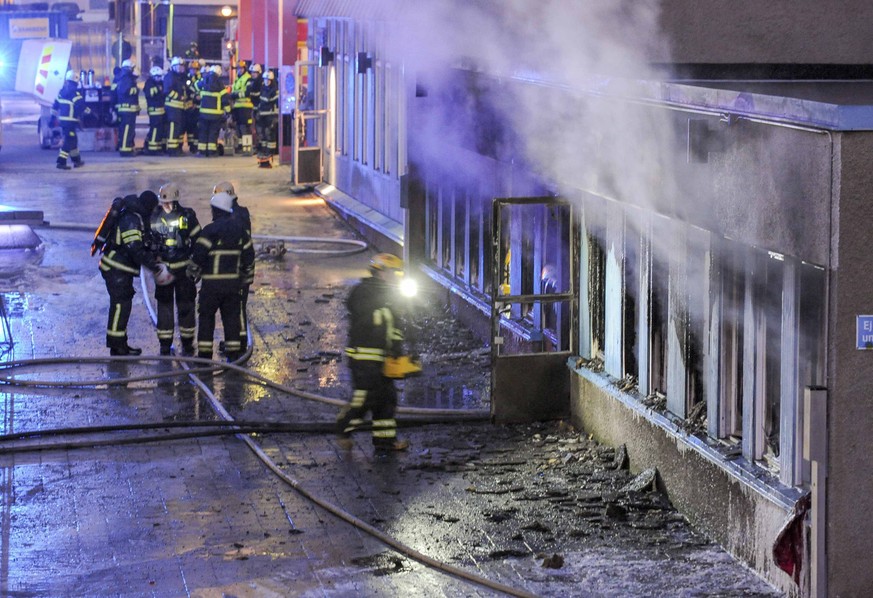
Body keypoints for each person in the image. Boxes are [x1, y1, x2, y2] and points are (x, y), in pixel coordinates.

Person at [336, 253, 411, 455]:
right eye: (394, 273)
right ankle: (343, 428)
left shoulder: (389, 295)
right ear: (382, 272)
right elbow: (367, 317)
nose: (397, 277)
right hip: (363, 357)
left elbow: (395, 327)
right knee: (366, 398)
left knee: (386, 399)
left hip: (382, 358)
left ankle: (385, 441)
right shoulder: (364, 292)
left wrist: (397, 350)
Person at [187, 191, 254, 362]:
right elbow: (249, 257)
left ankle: (204, 356)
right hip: (232, 286)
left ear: (216, 210)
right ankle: (233, 354)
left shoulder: (210, 231)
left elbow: (198, 256)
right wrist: (245, 280)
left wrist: (191, 275)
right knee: (231, 319)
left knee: (206, 319)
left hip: (211, 287)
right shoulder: (240, 231)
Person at [99, 191, 167, 356]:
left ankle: (120, 344)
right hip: (116, 268)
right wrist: (153, 265)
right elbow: (134, 248)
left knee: (122, 306)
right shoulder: (131, 219)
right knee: (120, 306)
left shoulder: (136, 216)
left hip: (120, 269)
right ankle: (117, 347)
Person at [150, 183, 201, 355]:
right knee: (165, 308)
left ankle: (186, 343)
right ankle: (166, 345)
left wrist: (196, 264)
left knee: (185, 306)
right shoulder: (184, 215)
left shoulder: (159, 216)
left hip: (181, 270)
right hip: (169, 270)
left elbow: (198, 240)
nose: (166, 205)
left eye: (168, 202)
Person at [212, 181, 252, 349]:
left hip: (235, 266)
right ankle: (237, 338)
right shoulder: (242, 212)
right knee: (238, 305)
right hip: (242, 264)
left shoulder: (231, 215)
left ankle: (240, 340)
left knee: (238, 306)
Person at [52, 70, 89, 170]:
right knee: (70, 140)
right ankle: (61, 161)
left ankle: (76, 160)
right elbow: (81, 106)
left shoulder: (62, 91)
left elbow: (55, 105)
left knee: (73, 140)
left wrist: (52, 118)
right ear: (76, 81)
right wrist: (90, 112)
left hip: (63, 121)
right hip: (70, 121)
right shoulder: (75, 93)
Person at [197, 65, 230, 157]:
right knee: (213, 132)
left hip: (203, 113)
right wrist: (228, 111)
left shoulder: (204, 80)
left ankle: (202, 152)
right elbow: (225, 99)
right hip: (216, 114)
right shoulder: (220, 84)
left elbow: (195, 86)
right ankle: (211, 152)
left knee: (203, 132)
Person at [114, 59, 140, 157]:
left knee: (129, 130)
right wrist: (135, 90)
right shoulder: (125, 78)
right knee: (126, 129)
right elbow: (125, 91)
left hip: (129, 109)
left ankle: (128, 148)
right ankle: (125, 150)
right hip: (127, 109)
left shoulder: (126, 77)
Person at [163, 57, 189, 155]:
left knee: (180, 128)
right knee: (173, 128)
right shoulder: (170, 76)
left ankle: (178, 147)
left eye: (182, 66)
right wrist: (179, 97)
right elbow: (167, 91)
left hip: (181, 108)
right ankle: (172, 149)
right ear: (173, 67)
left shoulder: (182, 77)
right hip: (172, 108)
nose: (181, 68)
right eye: (179, 66)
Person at [255, 69, 278, 168]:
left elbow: (274, 103)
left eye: (268, 80)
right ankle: (264, 151)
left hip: (271, 115)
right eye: (265, 80)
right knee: (263, 134)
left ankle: (270, 152)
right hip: (262, 115)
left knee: (270, 134)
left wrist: (275, 118)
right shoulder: (262, 89)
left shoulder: (274, 90)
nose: (266, 81)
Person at [230, 60, 254, 154]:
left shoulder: (248, 78)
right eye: (238, 68)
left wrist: (235, 95)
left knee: (244, 128)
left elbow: (247, 93)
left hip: (245, 107)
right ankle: (240, 146)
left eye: (241, 68)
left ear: (245, 68)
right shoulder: (237, 79)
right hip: (237, 107)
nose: (239, 70)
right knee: (238, 127)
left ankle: (246, 147)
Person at [143, 66, 166, 155]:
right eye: (157, 76)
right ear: (153, 76)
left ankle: (157, 147)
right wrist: (158, 89)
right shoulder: (149, 83)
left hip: (160, 110)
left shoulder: (160, 83)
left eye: (160, 76)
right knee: (155, 129)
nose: (159, 78)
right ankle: (152, 149)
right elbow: (149, 94)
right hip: (154, 110)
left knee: (159, 129)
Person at [184, 59, 202, 153]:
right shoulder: (187, 79)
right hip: (189, 106)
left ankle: (195, 146)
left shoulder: (201, 78)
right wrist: (194, 97)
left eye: (195, 69)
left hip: (199, 106)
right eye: (192, 69)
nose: (193, 71)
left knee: (196, 127)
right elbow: (187, 91)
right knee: (189, 126)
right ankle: (191, 144)